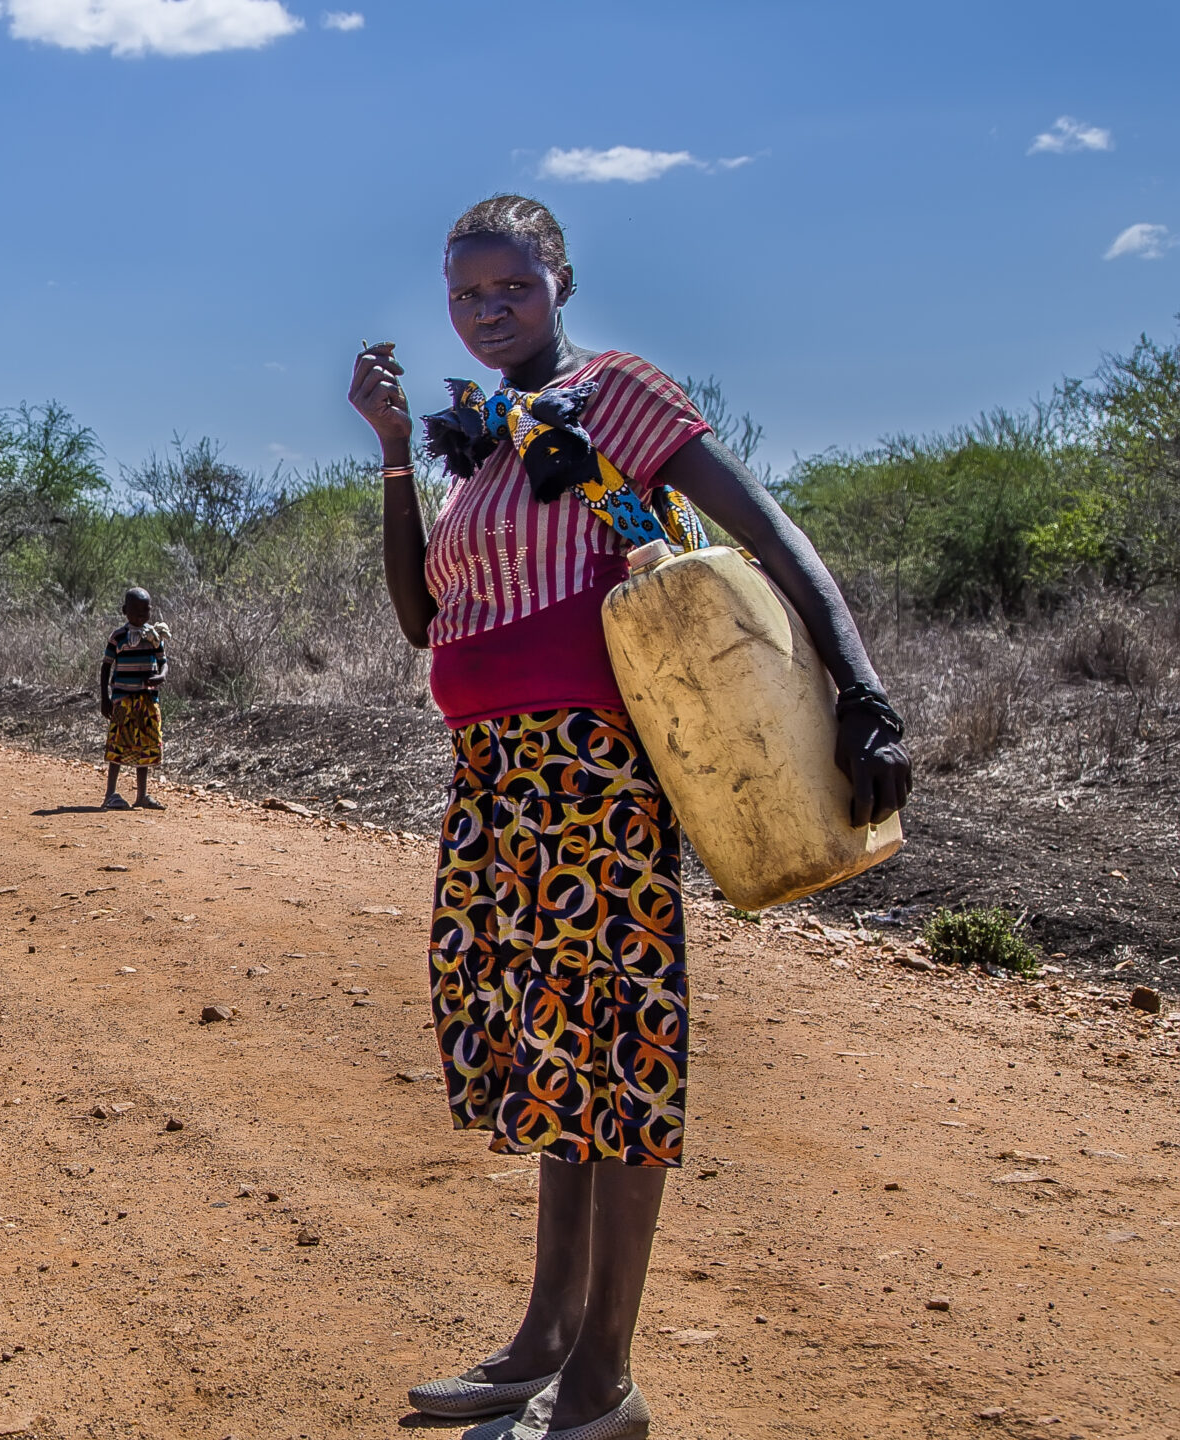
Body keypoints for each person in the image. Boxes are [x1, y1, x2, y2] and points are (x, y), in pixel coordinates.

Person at [346, 195, 910, 1439]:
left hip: (592, 773)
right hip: (495, 776)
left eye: (512, 289)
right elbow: (420, 621)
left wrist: (863, 691)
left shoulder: (615, 394)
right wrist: (393, 450)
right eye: (466, 295)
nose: (488, 311)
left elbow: (766, 529)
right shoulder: (482, 438)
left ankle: (603, 1376)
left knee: (615, 1044)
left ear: (561, 283)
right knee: (553, 1048)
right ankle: (544, 1337)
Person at [98, 587, 169, 810]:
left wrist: (160, 677)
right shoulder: (118, 637)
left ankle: (142, 795)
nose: (141, 615)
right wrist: (105, 698)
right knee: (118, 742)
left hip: (147, 700)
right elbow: (106, 667)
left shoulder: (154, 636)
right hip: (122, 699)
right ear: (124, 611)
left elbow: (164, 661)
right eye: (136, 610)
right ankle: (111, 793)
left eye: (146, 610)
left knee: (146, 744)